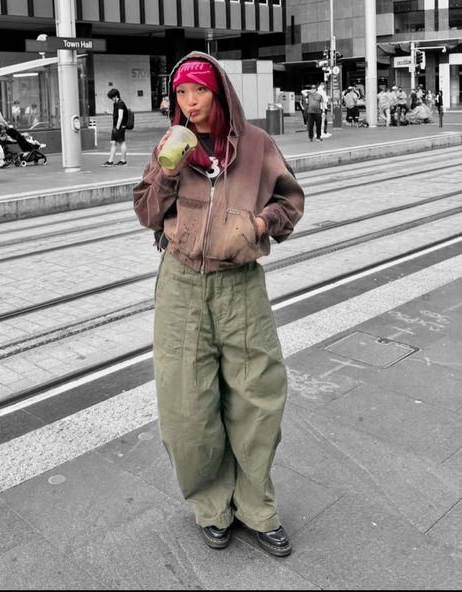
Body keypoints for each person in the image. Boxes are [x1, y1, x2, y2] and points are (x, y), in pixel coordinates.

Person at [133, 51, 304, 558]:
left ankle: (256, 506)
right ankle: (211, 506)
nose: (190, 104)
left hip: (240, 287)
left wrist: (258, 224)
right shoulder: (171, 144)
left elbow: (290, 201)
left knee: (257, 397)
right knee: (187, 407)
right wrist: (166, 172)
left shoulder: (255, 145)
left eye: (199, 92)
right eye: (181, 94)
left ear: (219, 92)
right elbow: (145, 213)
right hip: (182, 286)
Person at [102, 88, 128, 167]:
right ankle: (110, 161)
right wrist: (109, 113)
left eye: (112, 97)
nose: (111, 99)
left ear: (116, 96)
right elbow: (116, 115)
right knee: (113, 143)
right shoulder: (116, 103)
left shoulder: (120, 103)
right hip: (116, 126)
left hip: (119, 126)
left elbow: (120, 117)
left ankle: (123, 160)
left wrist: (117, 128)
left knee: (121, 142)